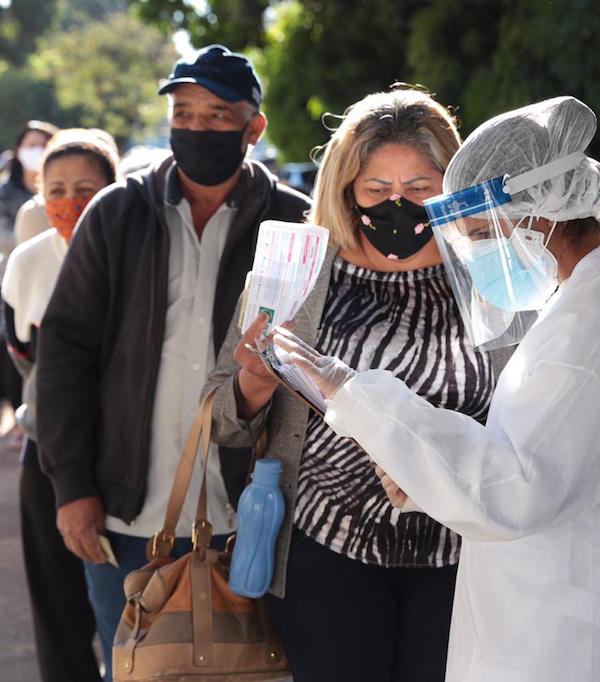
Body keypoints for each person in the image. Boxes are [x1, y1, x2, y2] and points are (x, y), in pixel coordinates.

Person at [271, 96, 600, 682]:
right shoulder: (590, 301)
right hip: (565, 607)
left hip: (576, 632)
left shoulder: (596, 326)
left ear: (538, 216)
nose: (474, 255)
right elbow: (537, 452)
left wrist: (352, 394)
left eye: (479, 234)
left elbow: (514, 488)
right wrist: (420, 474)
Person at [204, 87, 512, 682]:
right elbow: (219, 417)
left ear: (452, 185)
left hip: (464, 553)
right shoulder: (297, 272)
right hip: (326, 553)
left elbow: (534, 412)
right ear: (346, 189)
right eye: (376, 190)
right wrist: (254, 382)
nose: (398, 205)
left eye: (419, 188)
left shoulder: (492, 273)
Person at [34, 44, 310, 671]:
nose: (196, 128)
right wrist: (71, 487)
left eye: (216, 115)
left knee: (253, 671)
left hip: (253, 518)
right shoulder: (117, 213)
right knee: (136, 670)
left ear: (254, 128)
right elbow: (65, 356)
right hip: (127, 513)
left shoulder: (293, 225)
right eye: (183, 113)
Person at [2, 129, 119, 682]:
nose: (70, 203)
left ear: (114, 190)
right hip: (47, 450)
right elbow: (22, 353)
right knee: (58, 611)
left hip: (124, 457)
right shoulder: (27, 263)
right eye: (56, 190)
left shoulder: (135, 255)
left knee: (126, 608)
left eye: (85, 189)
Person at [0, 120, 58, 410]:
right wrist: (29, 250)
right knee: (14, 341)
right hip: (10, 275)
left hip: (54, 279)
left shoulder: (60, 185)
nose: (36, 151)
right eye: (30, 145)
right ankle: (18, 409)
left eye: (42, 145)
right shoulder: (6, 189)